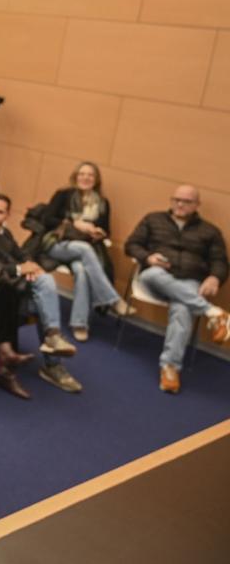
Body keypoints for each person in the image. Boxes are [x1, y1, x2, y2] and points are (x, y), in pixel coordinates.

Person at [124, 185, 230, 393]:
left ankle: (170, 367)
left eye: (186, 201)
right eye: (176, 199)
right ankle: (214, 313)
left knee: (183, 307)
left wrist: (215, 278)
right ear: (171, 200)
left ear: (197, 205)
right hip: (155, 279)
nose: (180, 204)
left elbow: (220, 261)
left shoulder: (210, 231)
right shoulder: (153, 219)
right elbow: (131, 244)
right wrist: (148, 257)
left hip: (189, 283)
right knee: (153, 273)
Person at [0, 193, 81, 399]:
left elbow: (21, 255)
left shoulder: (5, 234)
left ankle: (52, 339)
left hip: (11, 291)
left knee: (44, 286)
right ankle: (9, 368)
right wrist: (18, 269)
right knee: (8, 293)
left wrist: (31, 266)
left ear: (7, 215)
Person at [41, 161, 129, 342]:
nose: (85, 178)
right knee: (85, 248)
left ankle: (79, 323)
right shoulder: (63, 194)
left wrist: (99, 232)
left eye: (90, 175)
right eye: (82, 174)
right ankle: (111, 299)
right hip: (58, 244)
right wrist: (74, 224)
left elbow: (107, 231)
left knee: (82, 271)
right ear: (76, 176)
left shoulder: (103, 203)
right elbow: (47, 219)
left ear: (96, 180)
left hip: (84, 250)